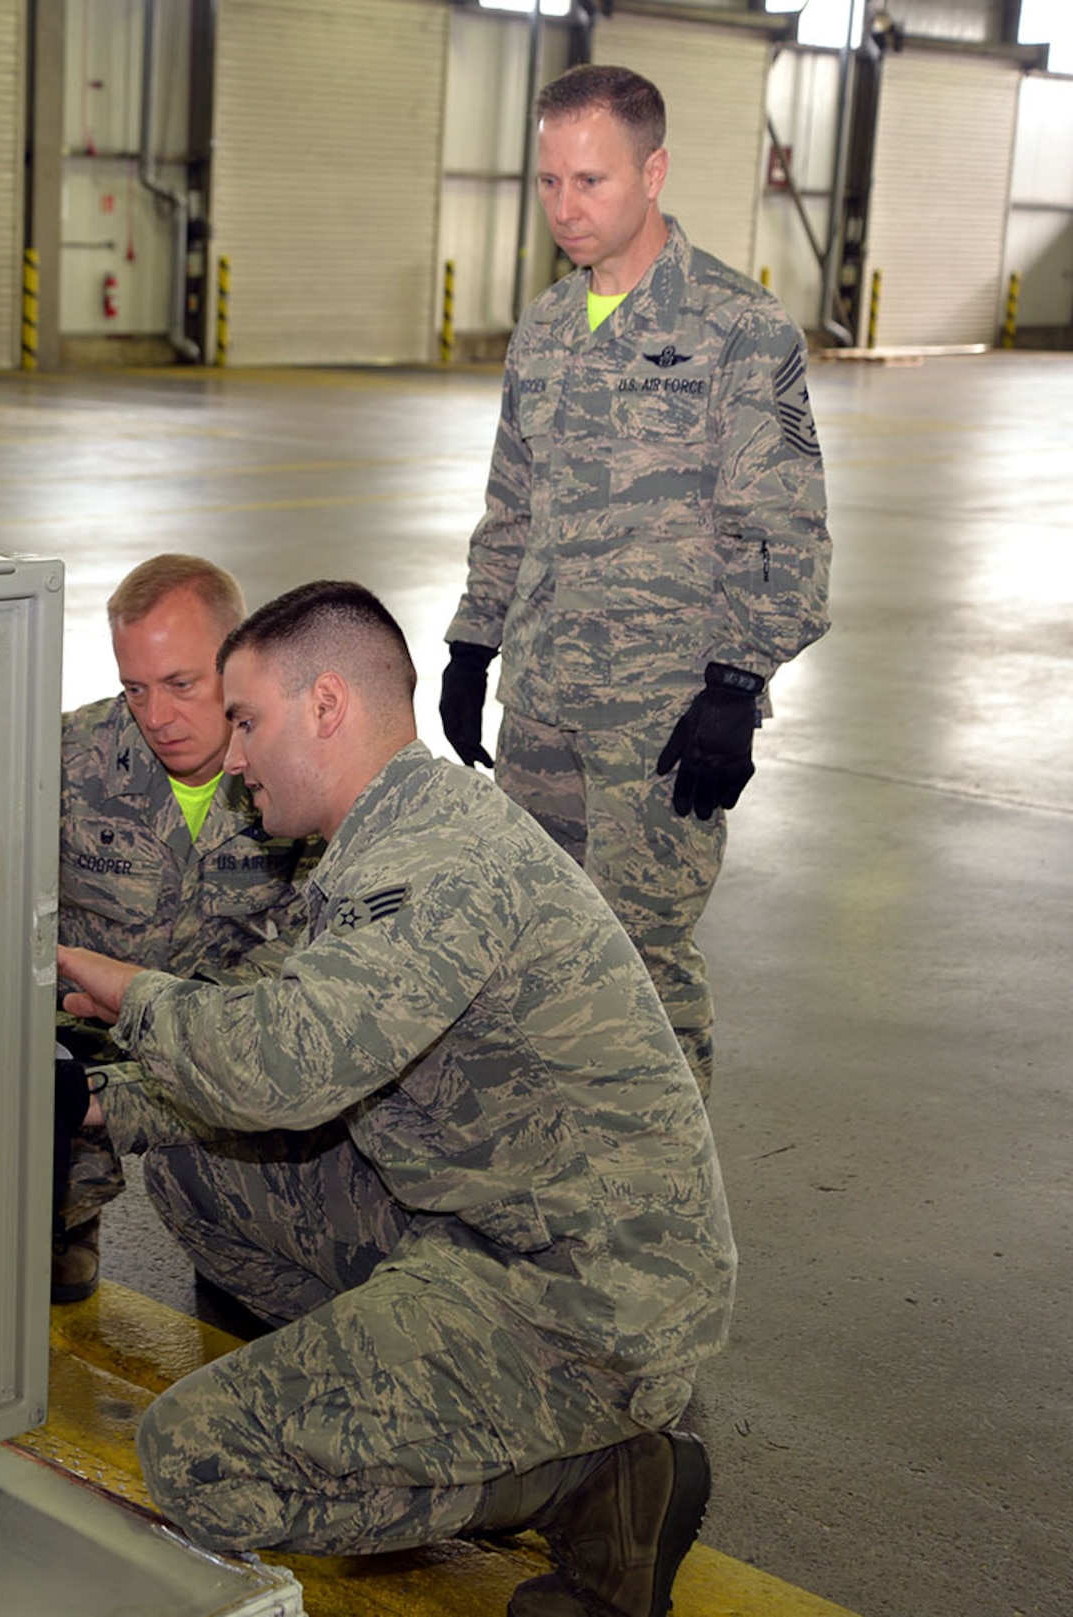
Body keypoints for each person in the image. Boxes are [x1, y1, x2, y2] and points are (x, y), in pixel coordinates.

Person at [57, 581, 736, 1617]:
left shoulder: (435, 861)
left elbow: (282, 1066)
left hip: (588, 1291)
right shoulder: (382, 840)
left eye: (245, 720)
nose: (230, 755)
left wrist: (123, 991)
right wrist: (97, 1103)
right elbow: (255, 1027)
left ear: (325, 705)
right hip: (490, 1224)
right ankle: (421, 1389)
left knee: (196, 1458)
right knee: (199, 1167)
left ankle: (591, 1480)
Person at [440, 64, 831, 1092]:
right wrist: (471, 642)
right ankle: (556, 1180)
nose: (565, 208)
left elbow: (783, 530)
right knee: (530, 947)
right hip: (543, 701)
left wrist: (735, 685)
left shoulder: (738, 331)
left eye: (592, 181)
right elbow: (511, 504)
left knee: (640, 968)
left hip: (660, 719)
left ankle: (665, 1211)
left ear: (651, 172)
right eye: (548, 182)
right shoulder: (544, 328)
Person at [52, 553, 320, 1302]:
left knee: (250, 1283)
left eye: (182, 684)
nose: (158, 716)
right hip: (78, 1053)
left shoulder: (298, 775)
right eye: (135, 688)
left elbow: (307, 985)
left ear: (236, 661)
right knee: (36, 1283)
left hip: (229, 1057)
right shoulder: (69, 759)